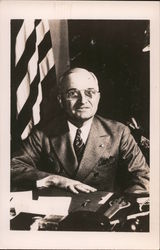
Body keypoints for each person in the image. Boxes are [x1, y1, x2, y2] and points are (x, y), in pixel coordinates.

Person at [11, 68, 149, 194]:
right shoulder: (43, 133)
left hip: (103, 214)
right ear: (61, 100)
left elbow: (142, 177)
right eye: (73, 93)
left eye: (90, 92)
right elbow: (12, 168)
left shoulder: (118, 132)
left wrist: (120, 207)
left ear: (98, 97)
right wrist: (53, 179)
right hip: (58, 214)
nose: (83, 100)